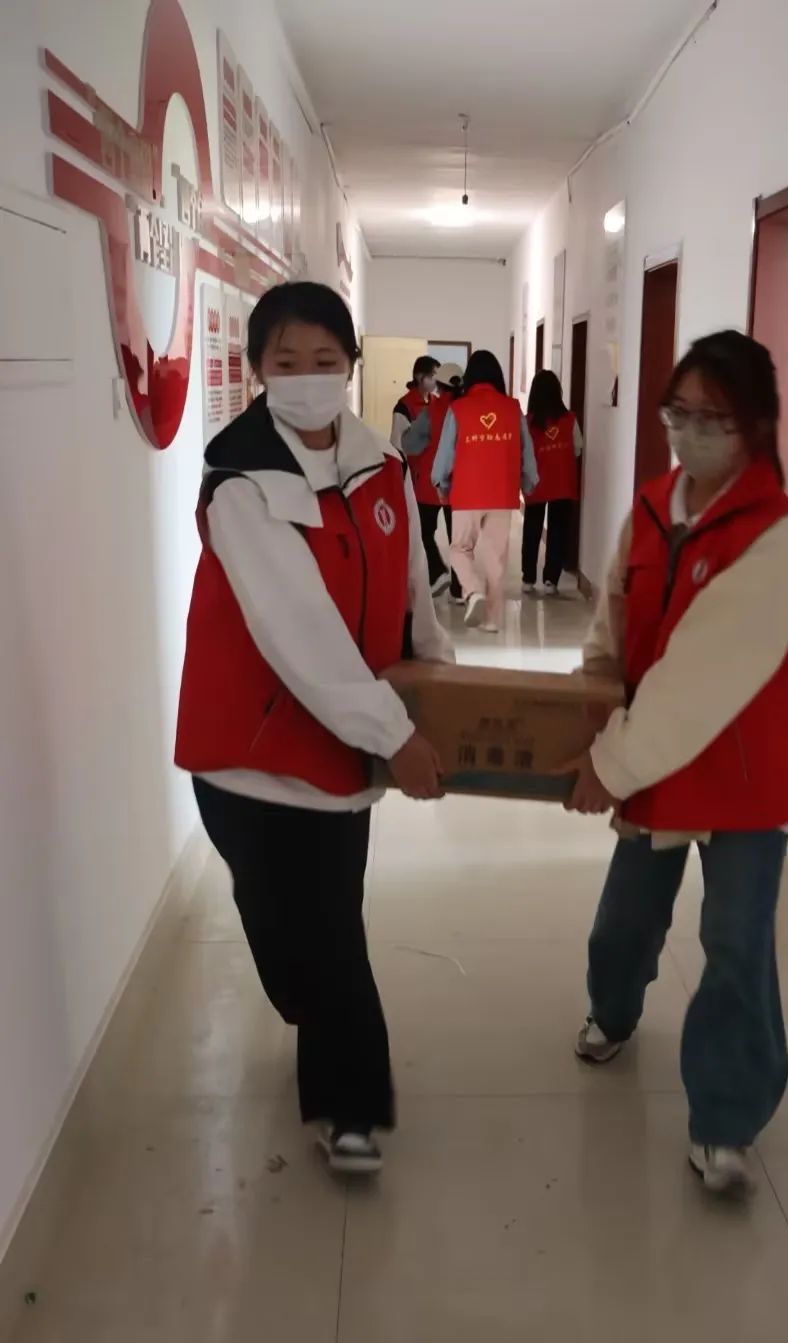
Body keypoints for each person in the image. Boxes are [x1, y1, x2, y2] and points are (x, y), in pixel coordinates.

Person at [175, 282, 453, 1178]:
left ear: (350, 366)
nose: (306, 377)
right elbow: (297, 629)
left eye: (324, 361)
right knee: (280, 925)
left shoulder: (382, 467)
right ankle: (310, 1004)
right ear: (257, 369)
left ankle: (349, 1109)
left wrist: (439, 690)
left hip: (341, 755)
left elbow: (411, 590)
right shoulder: (241, 483)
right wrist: (393, 731)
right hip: (246, 759)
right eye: (285, 362)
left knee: (333, 927)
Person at [565, 331, 788, 1197]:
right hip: (657, 759)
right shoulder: (650, 505)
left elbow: (700, 681)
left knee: (735, 943)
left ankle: (726, 1120)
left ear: (757, 425)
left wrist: (610, 763)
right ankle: (613, 1011)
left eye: (715, 418)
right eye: (681, 412)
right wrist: (591, 687)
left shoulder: (773, 538)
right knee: (626, 921)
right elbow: (614, 611)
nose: (691, 432)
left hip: (741, 769)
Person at [432, 350, 538, 633]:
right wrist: (529, 483)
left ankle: (472, 590)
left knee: (459, 549)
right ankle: (491, 621)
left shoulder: (458, 409)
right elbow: (527, 452)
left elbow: (445, 454)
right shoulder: (513, 409)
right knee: (495, 558)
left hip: (466, 493)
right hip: (502, 494)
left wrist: (441, 483)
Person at [401, 362, 465, 601]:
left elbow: (409, 444)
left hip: (431, 484)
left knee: (423, 533)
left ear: (440, 385)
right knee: (458, 540)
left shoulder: (431, 412)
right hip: (460, 485)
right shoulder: (467, 410)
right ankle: (459, 590)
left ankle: (437, 571)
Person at [521, 369, 583, 596]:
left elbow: (521, 453)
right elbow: (577, 449)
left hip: (535, 484)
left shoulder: (528, 423)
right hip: (562, 484)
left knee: (532, 529)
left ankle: (528, 579)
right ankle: (551, 581)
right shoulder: (570, 420)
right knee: (558, 531)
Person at [390, 354, 440, 452]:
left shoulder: (437, 401)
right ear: (419, 376)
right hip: (413, 459)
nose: (436, 381)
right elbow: (397, 444)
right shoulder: (404, 406)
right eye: (432, 376)